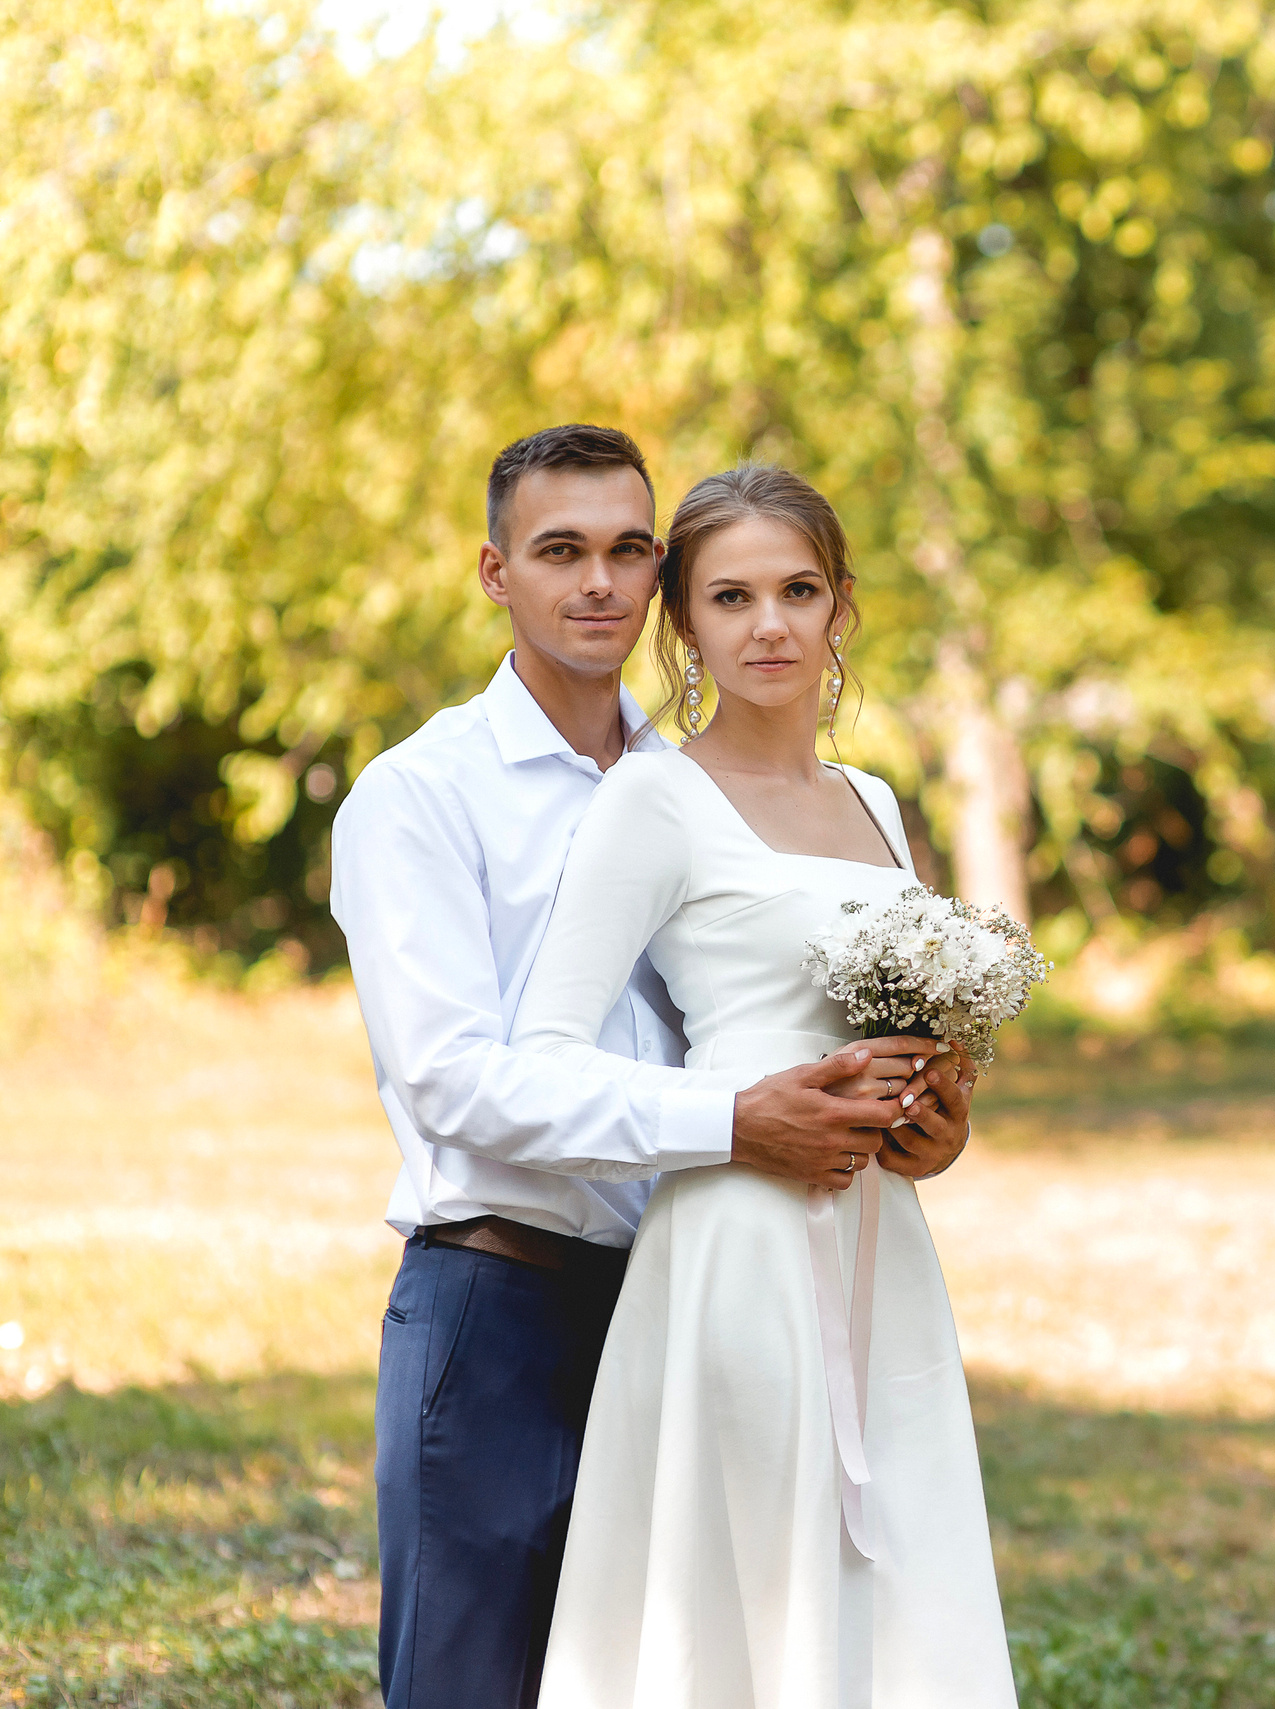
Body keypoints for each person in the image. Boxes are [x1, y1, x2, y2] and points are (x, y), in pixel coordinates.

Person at [329, 425, 978, 1709]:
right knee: (476, 1682)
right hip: (504, 1290)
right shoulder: (418, 795)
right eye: (559, 550)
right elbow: (455, 1080)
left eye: (630, 550)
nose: (599, 583)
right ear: (494, 569)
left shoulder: (703, 777)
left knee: (708, 1666)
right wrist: (730, 1121)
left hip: (703, 1278)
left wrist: (920, 1119)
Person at [512, 464, 1014, 1708]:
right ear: (685, 622)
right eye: (730, 597)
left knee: (897, 1578)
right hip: (736, 1239)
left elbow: (897, 1023)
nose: (770, 624)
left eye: (798, 589)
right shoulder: (654, 800)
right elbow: (543, 1059)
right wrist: (730, 1118)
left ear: (842, 605)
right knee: (751, 1581)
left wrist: (936, 1123)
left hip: (878, 1242)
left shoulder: (877, 801)